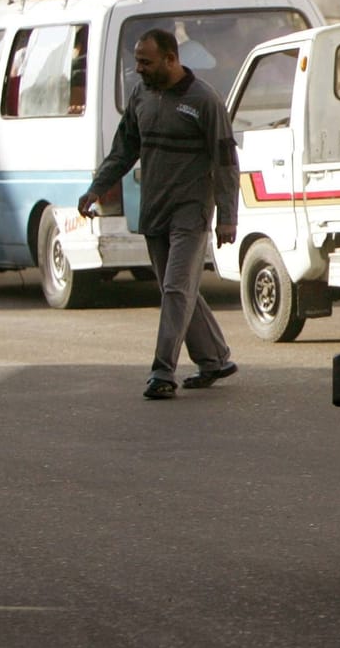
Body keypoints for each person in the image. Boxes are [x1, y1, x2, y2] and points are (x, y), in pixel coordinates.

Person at [79, 29, 239, 400]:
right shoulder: (141, 96)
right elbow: (123, 150)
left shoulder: (205, 101)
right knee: (179, 289)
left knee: (175, 288)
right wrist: (95, 188)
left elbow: (226, 163)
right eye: (137, 61)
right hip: (155, 209)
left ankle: (162, 371)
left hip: (192, 210)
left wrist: (227, 217)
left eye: (145, 62)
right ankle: (214, 358)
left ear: (171, 59)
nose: (138, 69)